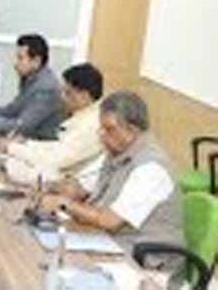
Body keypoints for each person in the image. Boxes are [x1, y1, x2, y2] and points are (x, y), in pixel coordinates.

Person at [39, 91, 183, 276]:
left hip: (149, 266)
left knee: (62, 272)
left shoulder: (152, 168)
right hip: (115, 246)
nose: (101, 134)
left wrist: (64, 204)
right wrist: (52, 187)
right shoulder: (116, 152)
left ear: (131, 131)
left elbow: (109, 221)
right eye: (101, 128)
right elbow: (81, 187)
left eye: (109, 129)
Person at [1, 63, 104, 184]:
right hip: (58, 173)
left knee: (12, 166)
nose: (62, 98)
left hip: (64, 181)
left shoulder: (91, 125)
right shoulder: (86, 116)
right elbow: (58, 147)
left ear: (84, 96)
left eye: (68, 93)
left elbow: (56, 159)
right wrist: (26, 143)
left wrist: (12, 148)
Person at [0, 34, 64, 140]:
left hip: (37, 144)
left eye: (20, 58)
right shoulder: (31, 79)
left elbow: (22, 126)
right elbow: (12, 110)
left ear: (36, 61)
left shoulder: (47, 88)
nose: (15, 64)